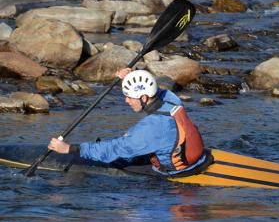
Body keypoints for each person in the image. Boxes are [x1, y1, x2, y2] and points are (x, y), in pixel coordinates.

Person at [48, 68, 209, 176]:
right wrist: (132, 77)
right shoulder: (171, 99)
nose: (126, 101)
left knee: (115, 155)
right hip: (197, 158)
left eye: (130, 97)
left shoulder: (151, 128)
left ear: (144, 98)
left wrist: (71, 149)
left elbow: (114, 149)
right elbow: (155, 90)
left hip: (173, 173)